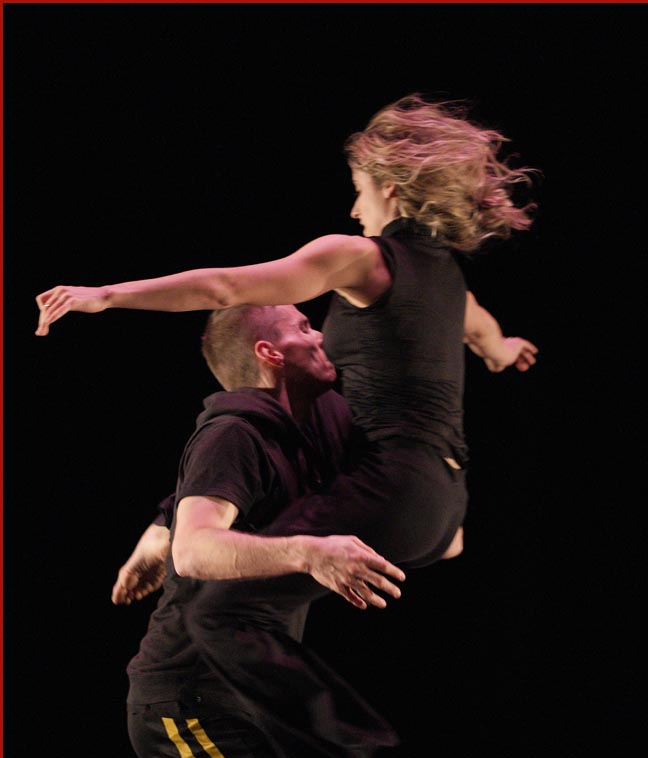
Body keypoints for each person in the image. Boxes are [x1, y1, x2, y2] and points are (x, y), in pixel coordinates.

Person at [6, 302, 405, 758]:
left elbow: (192, 500)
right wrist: (307, 552)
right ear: (267, 353)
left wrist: (158, 528)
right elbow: (198, 546)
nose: (319, 332)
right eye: (302, 326)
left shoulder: (308, 424)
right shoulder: (234, 431)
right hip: (189, 706)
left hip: (237, 699)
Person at [34, 94, 539, 587]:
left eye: (358, 189)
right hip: (445, 511)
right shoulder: (450, 280)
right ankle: (167, 526)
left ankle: (169, 533)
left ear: (388, 187)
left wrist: (106, 295)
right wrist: (506, 351)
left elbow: (225, 288)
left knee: (211, 583)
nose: (354, 210)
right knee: (264, 522)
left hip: (389, 491)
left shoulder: (362, 257)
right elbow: (484, 333)